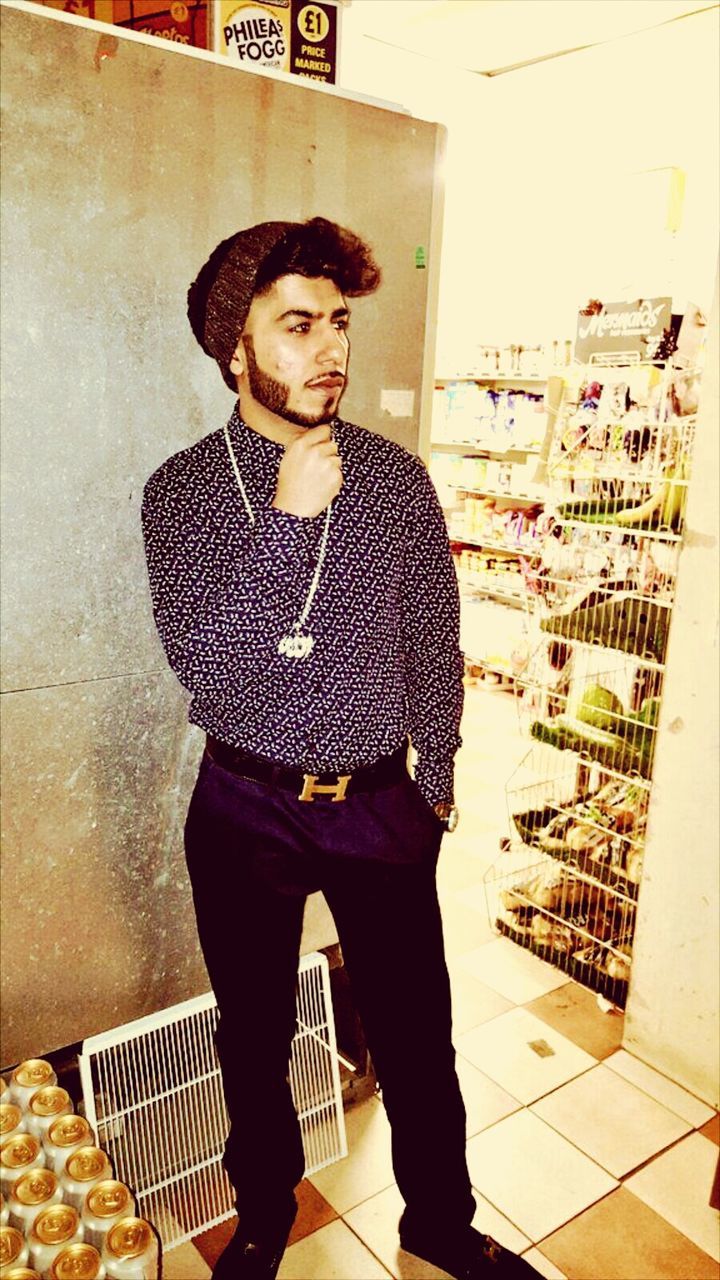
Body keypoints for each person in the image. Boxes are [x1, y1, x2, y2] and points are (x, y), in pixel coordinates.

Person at [141, 217, 539, 1280]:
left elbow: (435, 647)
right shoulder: (181, 493)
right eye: (299, 325)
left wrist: (438, 788)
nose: (332, 350)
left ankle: (439, 1224)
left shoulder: (396, 480)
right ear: (236, 345)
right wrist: (285, 517)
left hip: (378, 803)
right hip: (243, 804)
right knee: (254, 1035)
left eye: (341, 324)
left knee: (417, 1037)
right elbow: (209, 667)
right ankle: (263, 1212)